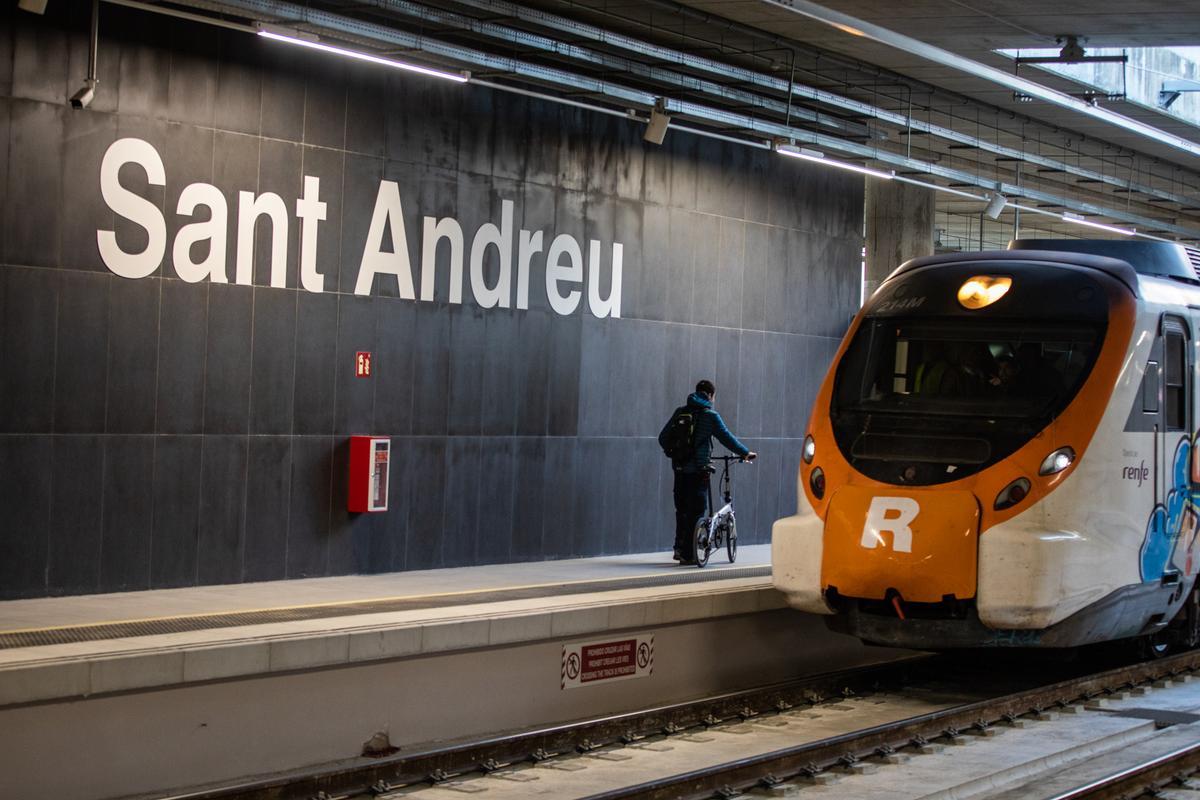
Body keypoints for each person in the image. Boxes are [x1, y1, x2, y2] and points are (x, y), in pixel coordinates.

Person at [659, 380, 757, 564]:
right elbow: (727, 438)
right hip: (699, 469)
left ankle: (679, 549)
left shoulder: (681, 412)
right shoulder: (710, 416)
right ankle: (689, 555)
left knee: (681, 510)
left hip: (679, 469)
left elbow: (663, 438)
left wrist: (675, 454)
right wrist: (745, 453)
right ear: (711, 395)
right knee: (696, 511)